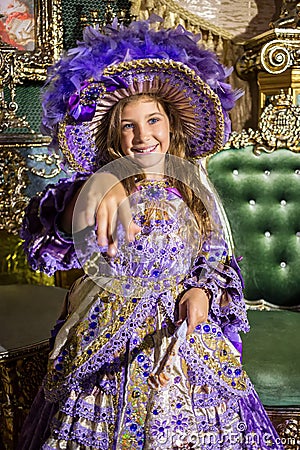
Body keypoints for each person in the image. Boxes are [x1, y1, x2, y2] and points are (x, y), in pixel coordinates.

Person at [19, 18, 283, 449]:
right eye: (128, 125)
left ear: (172, 125)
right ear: (112, 135)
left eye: (153, 120)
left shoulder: (193, 189)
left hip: (181, 333)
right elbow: (51, 223)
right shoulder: (102, 186)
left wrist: (203, 291)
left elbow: (216, 260)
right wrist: (96, 185)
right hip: (106, 327)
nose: (143, 136)